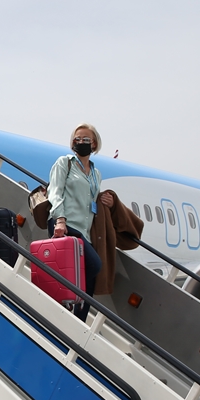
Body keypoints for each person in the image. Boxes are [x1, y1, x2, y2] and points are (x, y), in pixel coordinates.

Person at [47, 124, 114, 321]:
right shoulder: (64, 163)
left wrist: (108, 201)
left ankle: (79, 322)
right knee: (94, 265)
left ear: (94, 144)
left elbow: (91, 200)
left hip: (84, 231)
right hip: (65, 225)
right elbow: (55, 192)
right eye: (77, 139)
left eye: (86, 139)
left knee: (90, 281)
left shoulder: (96, 173)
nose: (81, 142)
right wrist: (60, 220)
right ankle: (65, 302)